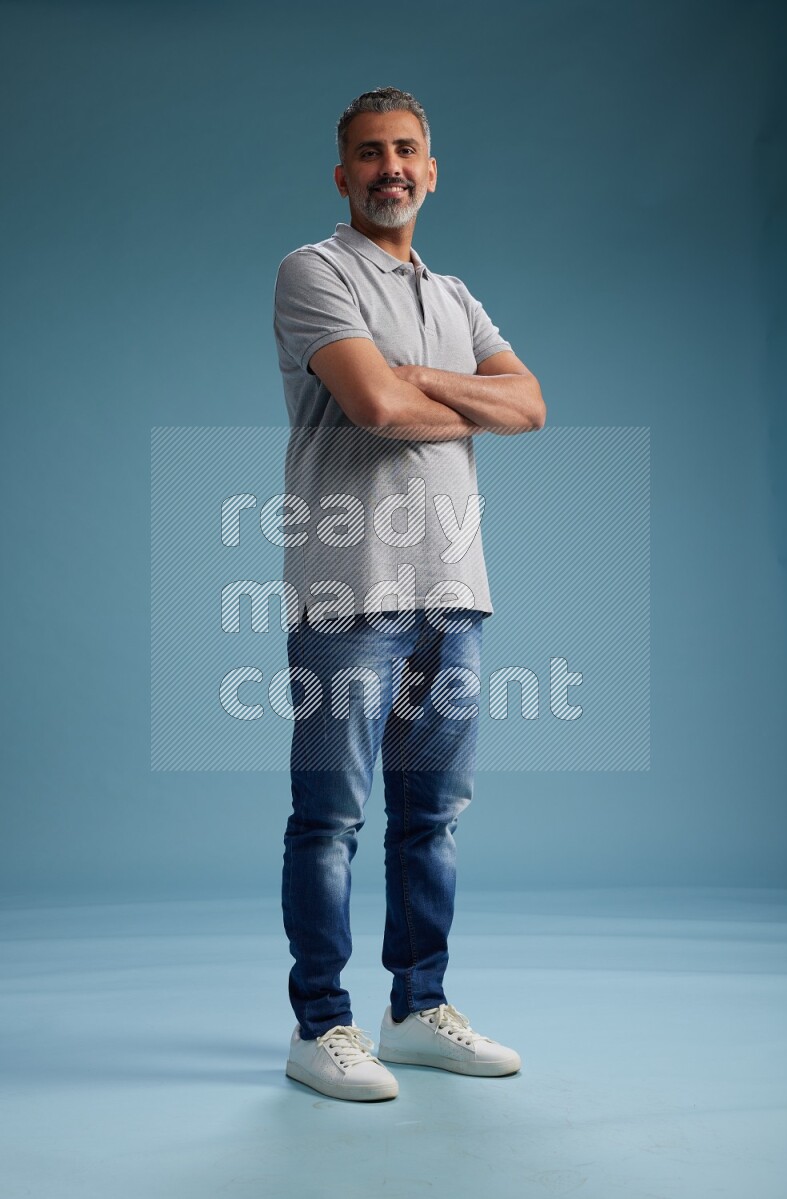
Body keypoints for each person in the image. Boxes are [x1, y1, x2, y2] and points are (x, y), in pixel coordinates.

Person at [272, 87, 546, 1102]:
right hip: (349, 592)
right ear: (341, 173)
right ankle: (321, 1025)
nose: (389, 167)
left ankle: (414, 1006)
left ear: (430, 169)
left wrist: (414, 380)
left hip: (450, 588)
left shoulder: (453, 293)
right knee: (330, 820)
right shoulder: (313, 271)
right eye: (368, 153)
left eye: (405, 151)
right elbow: (375, 405)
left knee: (430, 817)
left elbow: (530, 405)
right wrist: (439, 392)